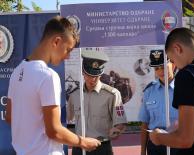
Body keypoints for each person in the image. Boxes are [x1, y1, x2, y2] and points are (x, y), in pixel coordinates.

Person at [5, 16, 101, 155]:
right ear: (56, 41)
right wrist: (83, 142)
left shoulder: (17, 71)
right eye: (68, 49)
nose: (67, 57)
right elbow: (54, 131)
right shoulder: (48, 76)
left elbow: (9, 116)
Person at [66, 51, 127, 155]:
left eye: (97, 75)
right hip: (79, 147)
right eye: (89, 75)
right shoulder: (75, 95)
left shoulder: (112, 94)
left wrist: (117, 130)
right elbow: (67, 118)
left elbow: (120, 123)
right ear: (83, 72)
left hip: (101, 147)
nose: (93, 79)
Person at [138, 50, 178, 155]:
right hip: (155, 145)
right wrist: (142, 151)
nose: (161, 71)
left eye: (164, 66)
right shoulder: (149, 91)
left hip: (177, 142)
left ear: (173, 65)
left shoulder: (184, 88)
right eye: (157, 68)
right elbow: (144, 123)